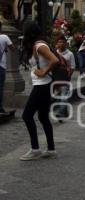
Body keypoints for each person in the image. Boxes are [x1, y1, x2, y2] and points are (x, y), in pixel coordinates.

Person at [20, 21, 59, 161]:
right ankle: (51, 149)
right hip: (43, 85)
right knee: (43, 117)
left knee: (26, 116)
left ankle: (35, 149)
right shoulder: (37, 45)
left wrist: (44, 72)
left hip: (42, 85)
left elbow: (54, 60)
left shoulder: (39, 46)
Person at [55, 34, 76, 118]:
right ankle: (65, 111)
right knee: (60, 97)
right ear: (56, 43)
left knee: (63, 97)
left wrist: (68, 77)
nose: (61, 43)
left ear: (66, 43)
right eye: (59, 42)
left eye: (63, 42)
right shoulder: (54, 53)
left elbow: (73, 67)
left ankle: (60, 112)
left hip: (64, 78)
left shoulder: (70, 54)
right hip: (55, 79)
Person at [0, 21, 15, 115]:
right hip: (1, 66)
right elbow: (13, 48)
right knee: (0, 88)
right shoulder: (4, 37)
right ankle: (0, 107)